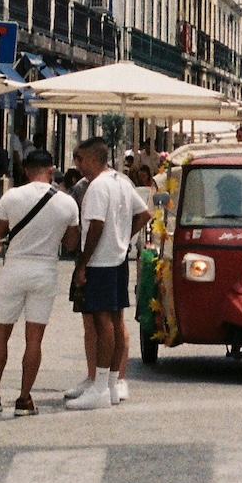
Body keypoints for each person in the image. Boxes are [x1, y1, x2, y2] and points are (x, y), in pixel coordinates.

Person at [0, 147, 78, 417]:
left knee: (0, 336)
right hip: (45, 270)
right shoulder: (67, 203)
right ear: (52, 170)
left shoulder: (12, 196)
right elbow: (71, 243)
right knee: (34, 340)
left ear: (25, 170)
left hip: (15, 268)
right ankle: (24, 399)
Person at [66, 139, 149, 411]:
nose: (78, 165)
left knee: (103, 324)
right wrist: (124, 238)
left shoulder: (97, 186)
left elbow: (96, 226)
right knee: (114, 320)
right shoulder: (121, 181)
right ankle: (111, 383)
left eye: (80, 159)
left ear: (93, 158)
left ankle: (100, 386)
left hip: (100, 262)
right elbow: (144, 213)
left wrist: (83, 264)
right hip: (117, 259)